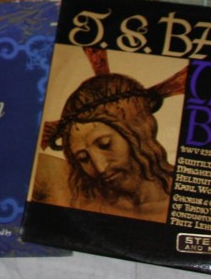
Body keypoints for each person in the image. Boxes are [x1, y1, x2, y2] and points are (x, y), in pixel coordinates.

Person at [31, 68, 185, 222]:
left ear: (138, 131)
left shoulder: (185, 196)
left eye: (105, 145)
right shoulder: (75, 191)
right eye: (83, 158)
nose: (100, 167)